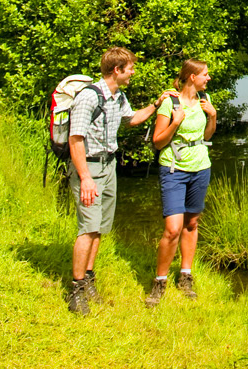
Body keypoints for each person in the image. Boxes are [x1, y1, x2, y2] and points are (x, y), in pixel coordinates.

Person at [67, 46, 165, 316]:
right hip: (89, 167)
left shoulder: (117, 95)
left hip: (109, 166)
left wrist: (157, 105)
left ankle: (88, 279)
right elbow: (75, 140)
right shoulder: (89, 97)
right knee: (87, 227)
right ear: (116, 70)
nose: (133, 71)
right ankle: (75, 290)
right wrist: (85, 178)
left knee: (99, 228)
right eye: (130, 67)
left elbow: (132, 119)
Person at [144, 58, 218, 307]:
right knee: (172, 228)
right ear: (191, 76)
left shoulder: (205, 100)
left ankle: (185, 276)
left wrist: (213, 118)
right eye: (205, 74)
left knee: (192, 223)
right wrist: (176, 121)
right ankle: (160, 281)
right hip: (174, 169)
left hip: (201, 168)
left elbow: (207, 136)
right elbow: (157, 141)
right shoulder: (169, 103)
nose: (208, 78)